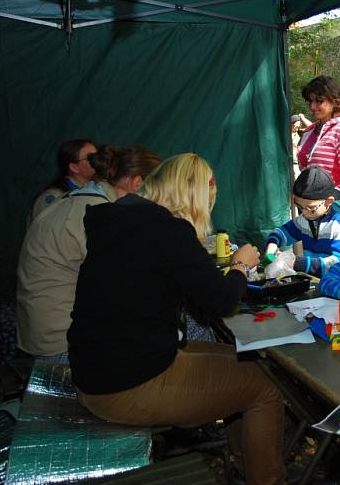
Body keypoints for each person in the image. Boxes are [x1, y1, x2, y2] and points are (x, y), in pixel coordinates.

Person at [67, 153, 285, 485]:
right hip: (127, 383)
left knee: (249, 359)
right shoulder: (168, 230)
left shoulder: (120, 217)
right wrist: (241, 265)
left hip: (97, 369)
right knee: (266, 388)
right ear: (194, 195)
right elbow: (223, 299)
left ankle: (244, 463)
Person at [16, 145, 161, 358]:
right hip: (60, 344)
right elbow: (123, 284)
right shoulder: (98, 213)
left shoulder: (76, 200)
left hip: (39, 332)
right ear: (138, 183)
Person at [264, 166, 340, 278]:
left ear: (328, 202)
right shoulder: (304, 220)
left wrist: (297, 263)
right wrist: (272, 243)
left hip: (336, 283)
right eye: (300, 207)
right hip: (314, 280)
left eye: (311, 208)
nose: (304, 213)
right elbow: (282, 232)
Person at [297, 75, 340, 199]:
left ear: (334, 101)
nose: (312, 107)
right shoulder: (310, 131)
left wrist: (328, 204)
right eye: (310, 101)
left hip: (332, 209)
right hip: (309, 206)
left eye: (319, 101)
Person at [29, 139, 97, 221]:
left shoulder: (95, 191)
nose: (98, 162)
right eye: (91, 158)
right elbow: (44, 231)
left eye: (98, 156)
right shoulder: (55, 197)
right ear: (74, 167)